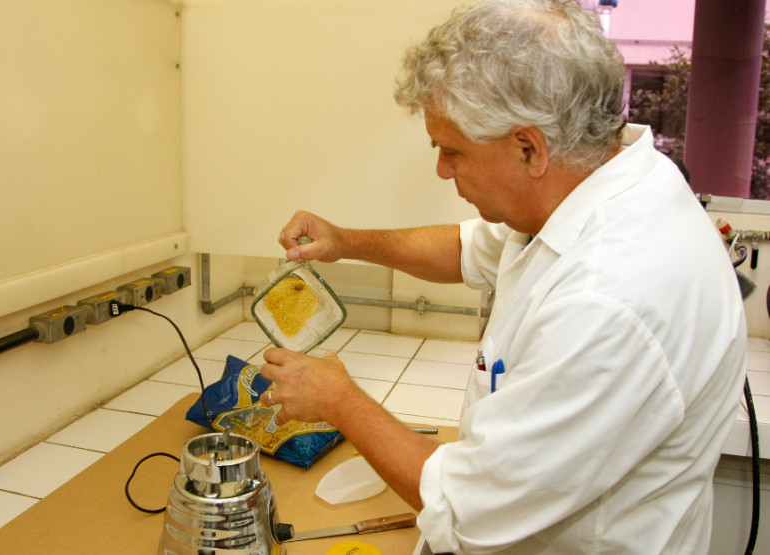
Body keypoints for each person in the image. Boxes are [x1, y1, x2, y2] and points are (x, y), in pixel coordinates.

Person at [259, 0, 748, 553]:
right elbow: (467, 250)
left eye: (453, 151)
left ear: (528, 148)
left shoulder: (608, 298)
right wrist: (345, 242)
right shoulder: (600, 180)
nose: (442, 169)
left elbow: (468, 510)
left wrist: (339, 401)